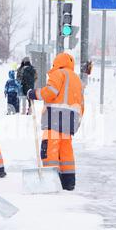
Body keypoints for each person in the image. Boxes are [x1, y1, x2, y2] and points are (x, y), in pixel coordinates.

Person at [26, 52, 84, 191]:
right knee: (66, 150)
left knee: (50, 148)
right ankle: (68, 182)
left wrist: (33, 93)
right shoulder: (77, 79)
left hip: (55, 118)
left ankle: (50, 181)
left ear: (57, 63)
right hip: (70, 119)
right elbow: (82, 104)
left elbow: (50, 92)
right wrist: (77, 121)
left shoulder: (58, 74)